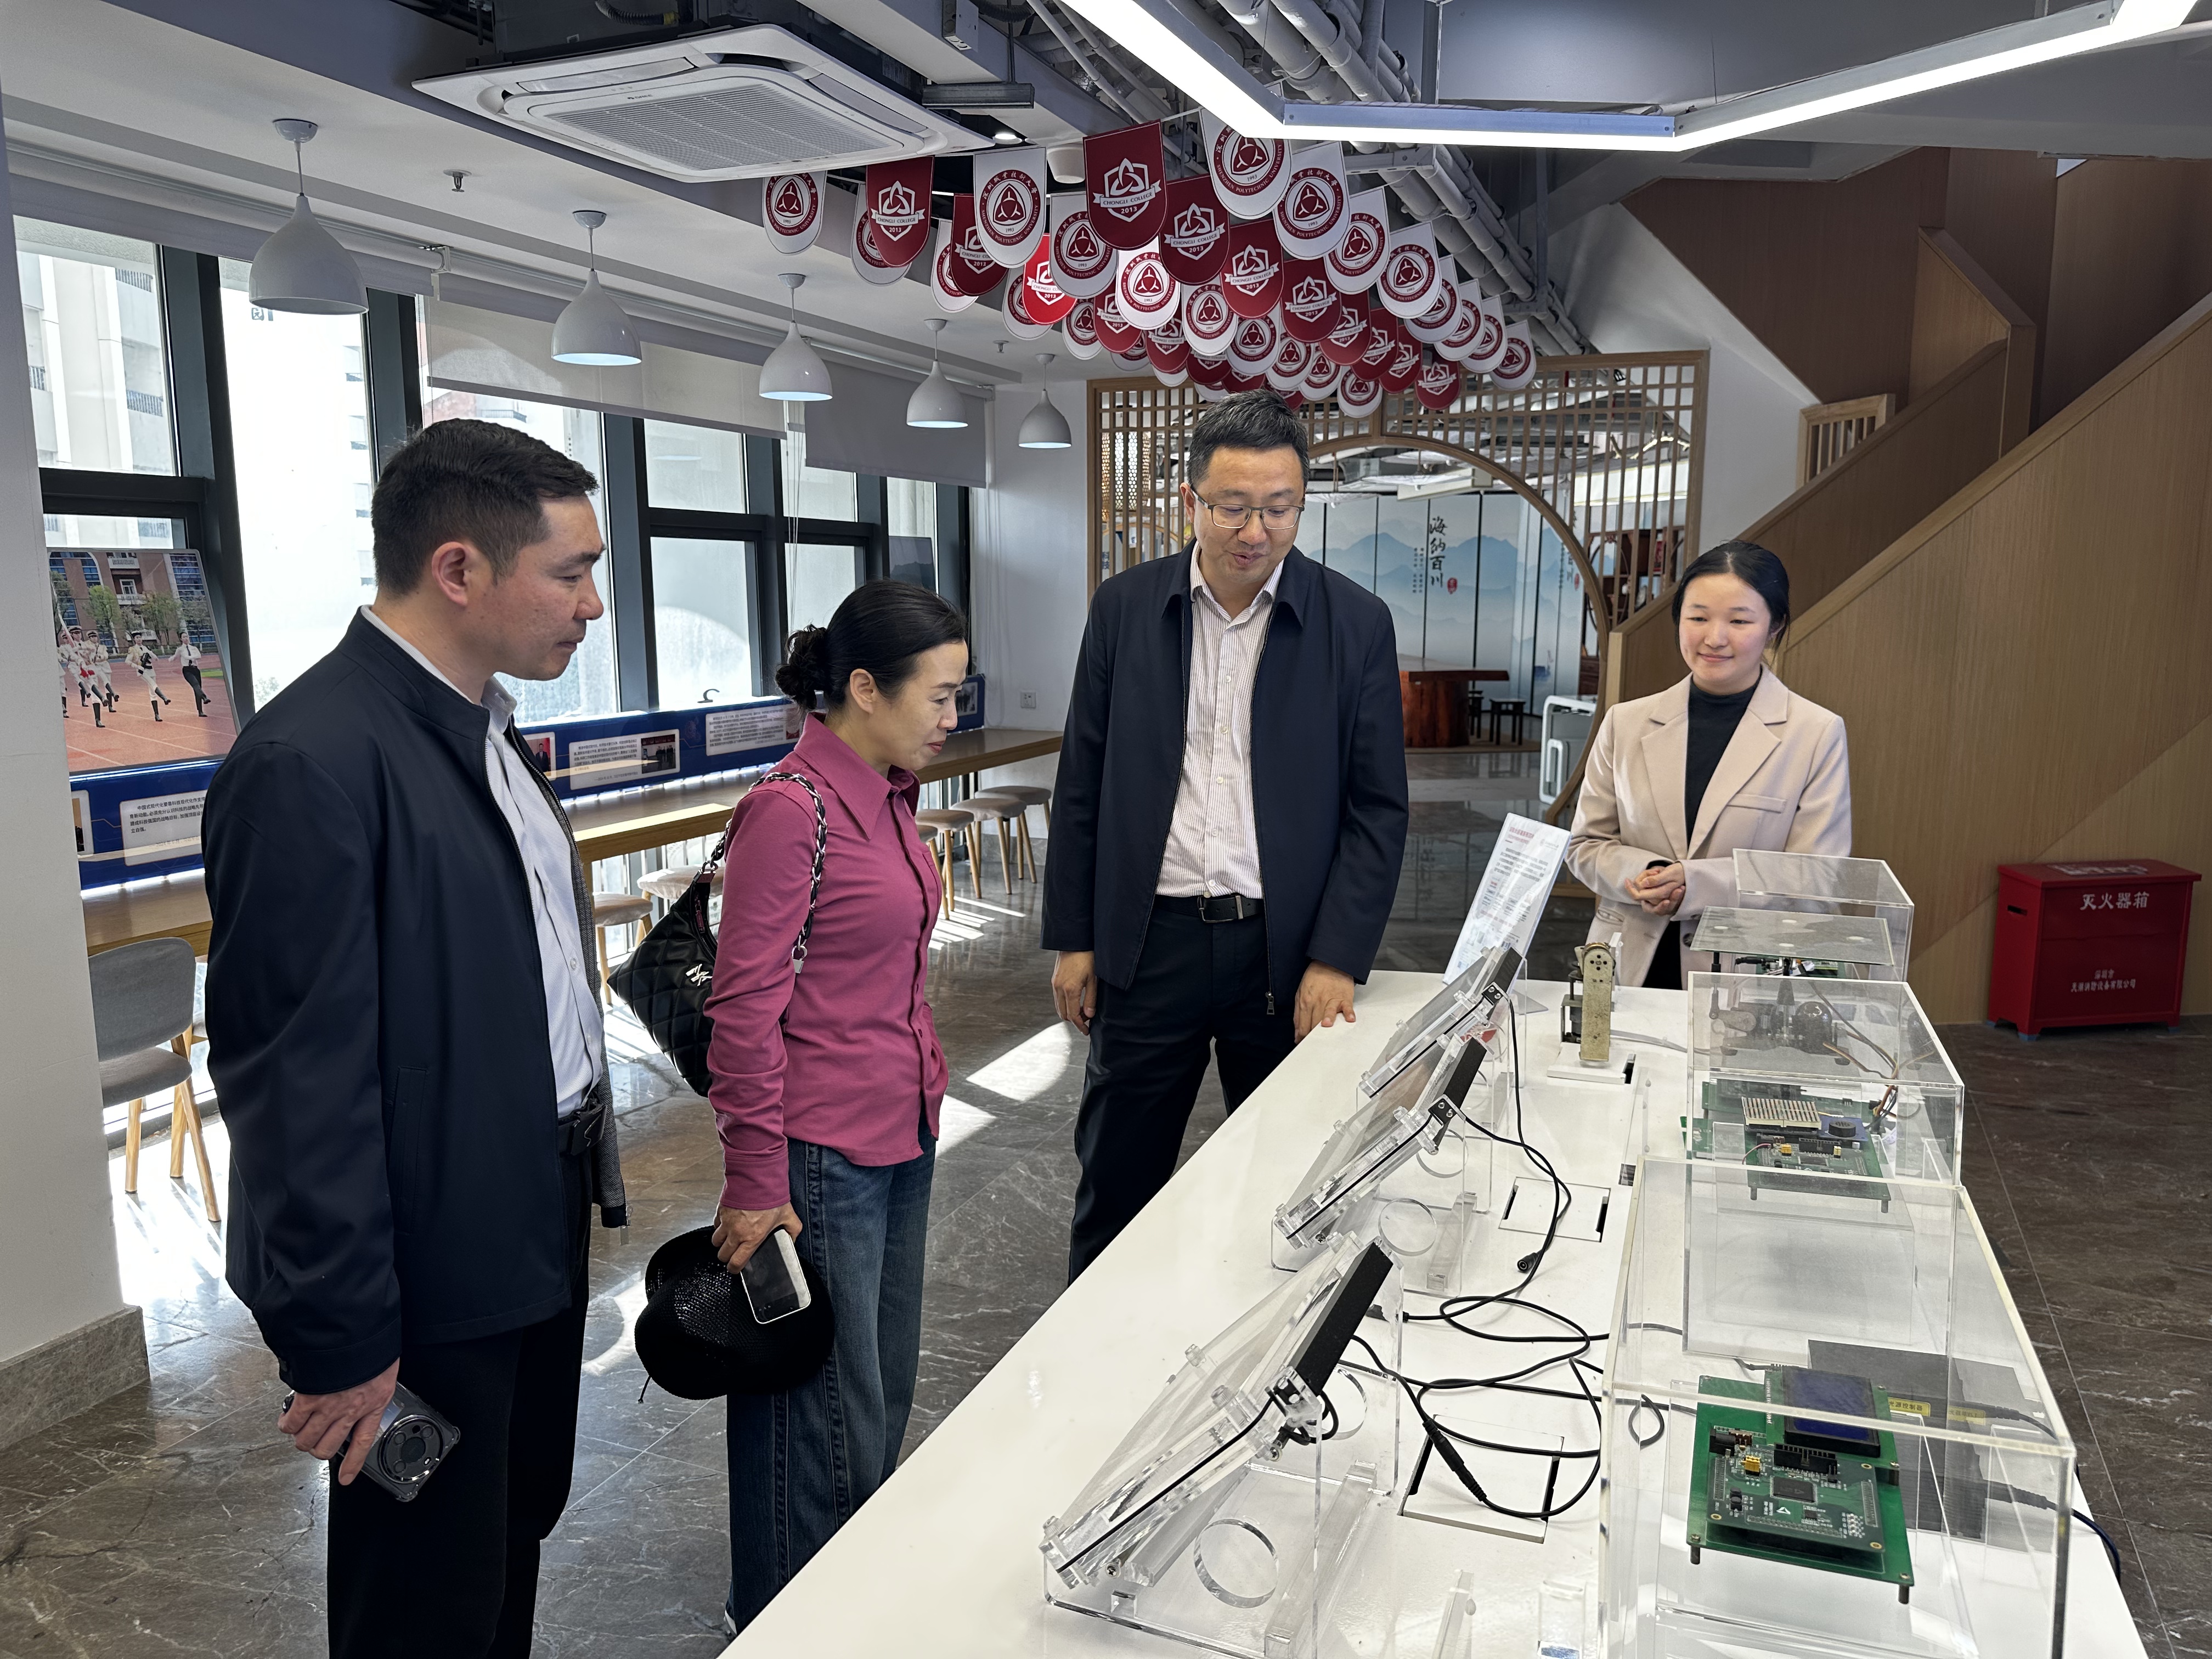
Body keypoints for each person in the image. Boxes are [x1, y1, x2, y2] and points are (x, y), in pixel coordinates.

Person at [203, 419, 627, 1659]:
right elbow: (295, 1085)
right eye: (571, 572)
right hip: (425, 1263)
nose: (594, 604)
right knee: (425, 1600)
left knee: (507, 1540)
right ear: (458, 569)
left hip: (527, 1216)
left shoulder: (484, 726)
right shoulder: (312, 761)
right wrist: (340, 1337)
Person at [1044, 390, 1410, 1278]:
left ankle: (1278, 1350)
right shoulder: (1125, 608)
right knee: (1117, 1183)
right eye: (1233, 507)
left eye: (1280, 507)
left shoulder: (1354, 622)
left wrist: (1336, 956)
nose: (1256, 530)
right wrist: (1075, 937)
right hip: (1149, 943)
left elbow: (1377, 807)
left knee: (1295, 1180)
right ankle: (1103, 1351)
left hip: (1281, 950)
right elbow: (1083, 779)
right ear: (1191, 500)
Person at [704, 581, 966, 1634]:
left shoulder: (887, 796)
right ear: (864, 687)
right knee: (812, 1407)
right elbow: (741, 1009)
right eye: (938, 695)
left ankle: (844, 1598)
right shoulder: (791, 809)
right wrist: (754, 1178)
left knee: (877, 1389)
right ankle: (781, 1618)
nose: (952, 715)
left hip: (900, 1127)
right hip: (818, 1156)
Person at [1566, 540, 1851, 988]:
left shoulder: (1815, 733)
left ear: (1774, 625)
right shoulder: (1626, 722)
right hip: (1626, 965)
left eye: (1739, 621)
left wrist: (1694, 883)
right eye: (1698, 618)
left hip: (1742, 974)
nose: (1715, 638)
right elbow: (1586, 845)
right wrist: (1644, 875)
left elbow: (1818, 875)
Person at [127, 637, 172, 721]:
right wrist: (137, 667)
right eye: (137, 638)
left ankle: (157, 715)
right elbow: (127, 661)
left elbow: (155, 658)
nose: (139, 639)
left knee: (153, 693)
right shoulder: (133, 649)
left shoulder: (146, 648)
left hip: (151, 670)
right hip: (142, 671)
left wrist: (153, 655)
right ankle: (164, 697)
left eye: (140, 637)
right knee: (153, 684)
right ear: (134, 640)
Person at [176, 631, 210, 716]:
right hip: (187, 670)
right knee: (195, 684)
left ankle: (200, 711)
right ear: (181, 639)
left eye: (187, 636)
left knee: (198, 689)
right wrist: (193, 657)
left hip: (195, 669)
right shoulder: (180, 649)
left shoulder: (194, 648)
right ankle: (204, 697)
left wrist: (192, 657)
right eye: (184, 637)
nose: (186, 638)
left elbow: (199, 656)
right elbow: (185, 657)